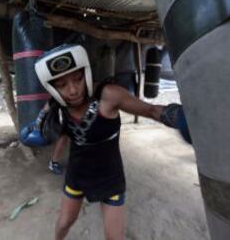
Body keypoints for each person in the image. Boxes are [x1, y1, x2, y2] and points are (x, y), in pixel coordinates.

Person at [24, 44, 190, 239]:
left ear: (85, 73)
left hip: (110, 177)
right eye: (61, 85)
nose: (72, 90)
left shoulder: (108, 96)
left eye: (77, 79)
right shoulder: (56, 105)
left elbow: (151, 110)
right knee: (64, 223)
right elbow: (51, 131)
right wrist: (40, 132)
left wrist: (183, 117)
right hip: (77, 174)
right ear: (53, 88)